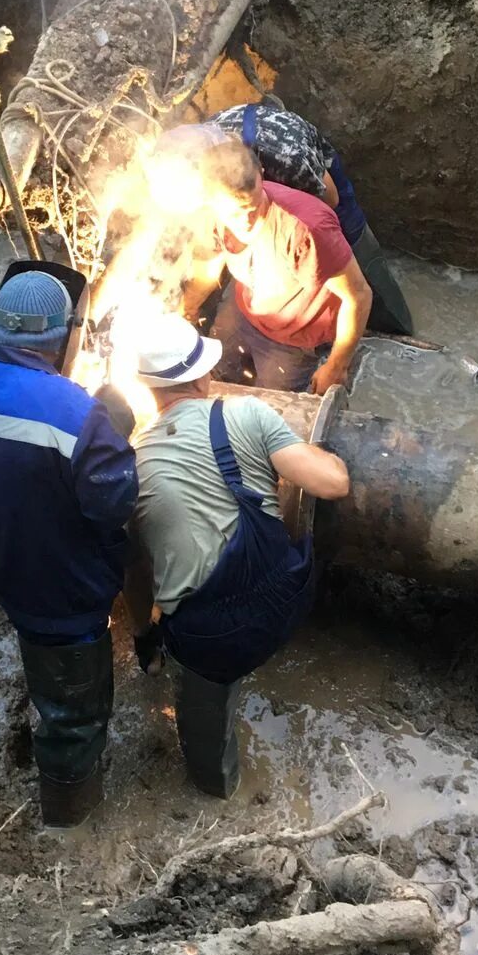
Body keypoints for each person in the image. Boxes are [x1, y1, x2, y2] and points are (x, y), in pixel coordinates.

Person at [0, 265, 137, 828]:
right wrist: (114, 430)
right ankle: (68, 820)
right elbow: (113, 507)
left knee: (46, 668)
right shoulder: (77, 414)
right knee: (75, 713)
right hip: (63, 594)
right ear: (63, 339)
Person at [128, 314, 349, 797]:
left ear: (147, 391)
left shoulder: (132, 463)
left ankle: (221, 791)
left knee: (203, 730)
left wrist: (145, 635)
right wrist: (325, 453)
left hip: (214, 643)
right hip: (286, 601)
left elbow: (139, 571)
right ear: (206, 376)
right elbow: (333, 483)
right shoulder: (248, 414)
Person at [150, 100, 413, 336]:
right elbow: (209, 251)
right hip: (263, 198)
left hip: (320, 193)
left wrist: (305, 248)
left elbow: (328, 200)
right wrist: (190, 305)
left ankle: (391, 328)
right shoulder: (198, 148)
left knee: (360, 276)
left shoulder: (288, 159)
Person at [187, 137, 373, 394]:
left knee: (274, 407)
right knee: (214, 378)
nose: (246, 221)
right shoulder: (208, 214)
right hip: (243, 310)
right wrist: (189, 306)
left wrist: (337, 365)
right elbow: (209, 265)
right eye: (234, 214)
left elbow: (359, 296)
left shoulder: (307, 229)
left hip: (295, 339)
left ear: (261, 175)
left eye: (253, 207)